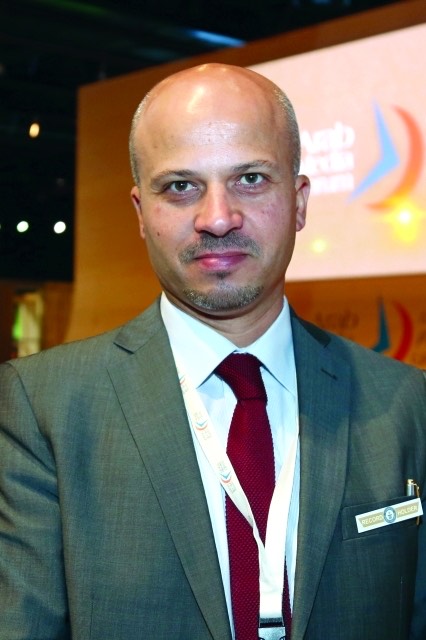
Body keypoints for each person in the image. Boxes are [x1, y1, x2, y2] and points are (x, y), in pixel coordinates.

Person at [0, 63, 425, 640]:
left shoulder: (404, 402)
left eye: (250, 178)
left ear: (299, 201)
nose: (218, 218)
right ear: (141, 214)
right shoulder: (42, 408)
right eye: (181, 186)